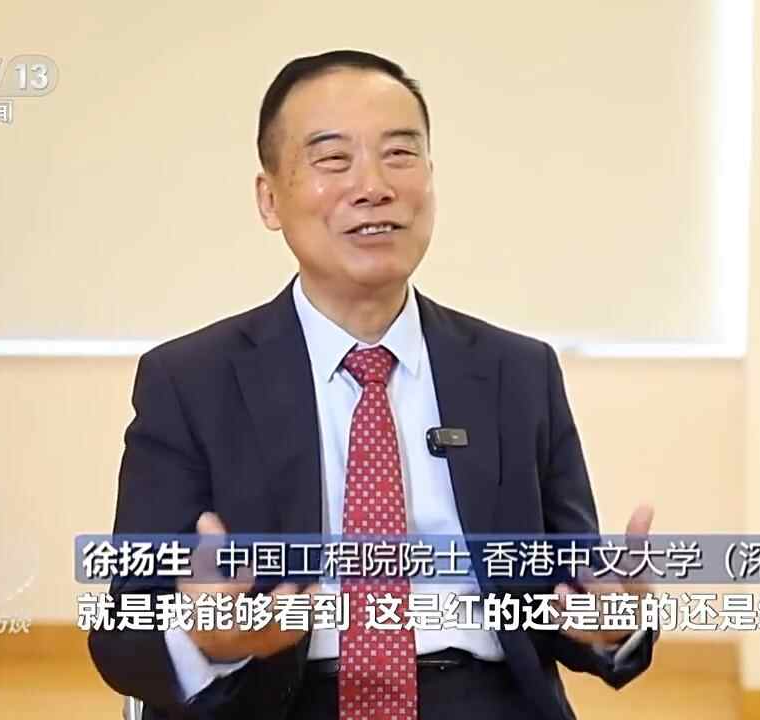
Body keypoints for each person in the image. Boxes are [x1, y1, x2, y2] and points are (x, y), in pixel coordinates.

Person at [88, 49, 658, 720]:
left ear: (431, 181)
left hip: (481, 697)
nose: (373, 186)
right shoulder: (191, 381)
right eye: (333, 159)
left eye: (399, 155)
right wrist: (204, 641)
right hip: (277, 699)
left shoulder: (517, 372)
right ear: (270, 199)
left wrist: (613, 625)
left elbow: (570, 596)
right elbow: (124, 632)